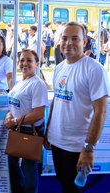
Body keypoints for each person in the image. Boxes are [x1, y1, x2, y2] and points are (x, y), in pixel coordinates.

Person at [47, 22, 109, 193]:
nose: (68, 43)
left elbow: (101, 111)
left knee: (73, 189)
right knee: (63, 183)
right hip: (57, 141)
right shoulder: (59, 68)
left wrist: (89, 148)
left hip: (77, 146)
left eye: (75, 38)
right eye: (65, 38)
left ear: (85, 42)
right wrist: (48, 131)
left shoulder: (94, 69)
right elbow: (56, 101)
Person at [4, 49, 48, 193]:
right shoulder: (20, 82)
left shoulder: (37, 84)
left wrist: (15, 120)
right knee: (13, 166)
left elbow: (38, 114)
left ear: (36, 64)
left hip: (30, 131)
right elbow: (14, 105)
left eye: (29, 60)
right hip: (17, 130)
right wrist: (8, 117)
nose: (25, 63)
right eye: (22, 60)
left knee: (28, 169)